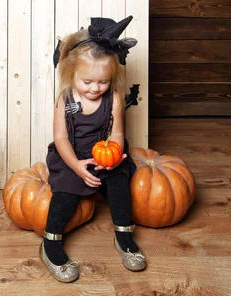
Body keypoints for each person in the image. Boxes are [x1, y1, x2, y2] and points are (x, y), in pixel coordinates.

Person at [40, 16, 146, 283]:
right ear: (70, 74)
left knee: (119, 180)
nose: (95, 89)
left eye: (103, 82)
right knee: (66, 191)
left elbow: (118, 132)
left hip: (105, 154)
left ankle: (124, 236)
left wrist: (113, 154)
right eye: (87, 82)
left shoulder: (114, 99)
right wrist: (76, 165)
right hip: (71, 156)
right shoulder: (65, 100)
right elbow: (61, 137)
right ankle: (51, 242)